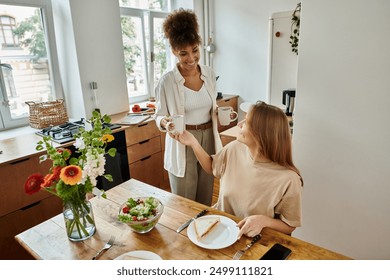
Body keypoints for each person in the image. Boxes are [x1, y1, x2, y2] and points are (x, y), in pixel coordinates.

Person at [175, 101, 303, 238]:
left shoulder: (289, 179)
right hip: (220, 231)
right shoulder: (234, 148)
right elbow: (212, 166)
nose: (239, 124)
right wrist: (193, 142)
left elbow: (290, 226)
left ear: (261, 133)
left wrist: (264, 221)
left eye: (246, 121)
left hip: (253, 239)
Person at [154, 8, 222, 206]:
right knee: (184, 200)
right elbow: (158, 116)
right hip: (182, 140)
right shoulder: (167, 82)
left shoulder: (209, 74)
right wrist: (164, 123)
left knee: (205, 196)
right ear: (174, 51)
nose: (191, 58)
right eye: (183, 53)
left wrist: (220, 113)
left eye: (194, 50)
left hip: (208, 137)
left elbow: (211, 106)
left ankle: (202, 235)